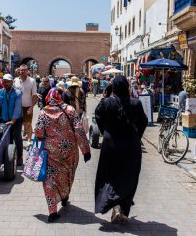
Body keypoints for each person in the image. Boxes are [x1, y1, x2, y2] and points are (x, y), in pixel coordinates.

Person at [94, 76, 148, 224]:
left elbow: (98, 117)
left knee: (109, 176)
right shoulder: (136, 103)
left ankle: (115, 205)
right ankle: (123, 209)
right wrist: (136, 137)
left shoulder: (106, 102)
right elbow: (143, 121)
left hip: (111, 146)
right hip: (131, 146)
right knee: (129, 177)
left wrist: (107, 131)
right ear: (126, 87)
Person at [34, 88, 91, 223]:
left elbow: (38, 132)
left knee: (49, 180)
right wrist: (85, 150)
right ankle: (65, 195)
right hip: (69, 150)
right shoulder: (70, 110)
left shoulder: (43, 112)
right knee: (67, 173)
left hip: (51, 152)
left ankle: (52, 211)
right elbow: (79, 130)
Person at [0, 74, 23, 166]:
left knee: (17, 136)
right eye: (4, 81)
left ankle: (19, 157)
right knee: (6, 138)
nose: (5, 83)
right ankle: (9, 158)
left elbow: (18, 108)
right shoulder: (1, 92)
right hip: (5, 119)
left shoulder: (18, 93)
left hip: (16, 119)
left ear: (11, 82)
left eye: (7, 82)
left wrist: (13, 120)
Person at [14, 65, 37, 148]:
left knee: (28, 124)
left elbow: (34, 95)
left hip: (28, 106)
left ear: (28, 71)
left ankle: (28, 141)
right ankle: (18, 141)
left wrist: (32, 107)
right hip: (17, 107)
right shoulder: (15, 81)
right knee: (20, 124)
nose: (23, 71)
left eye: (24, 70)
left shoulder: (32, 81)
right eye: (21, 70)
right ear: (19, 71)